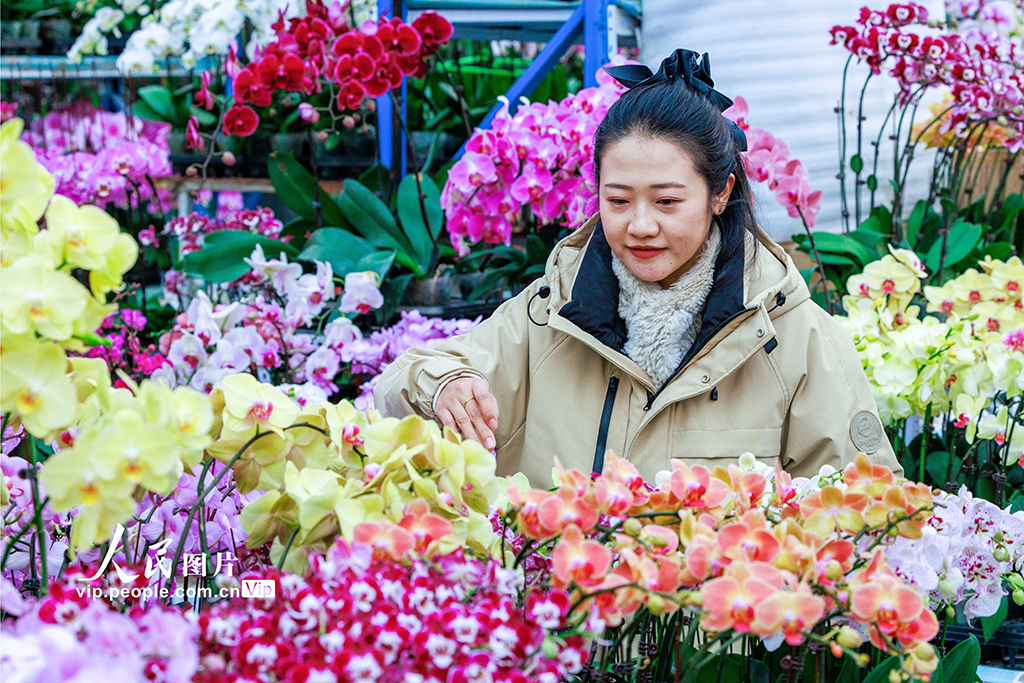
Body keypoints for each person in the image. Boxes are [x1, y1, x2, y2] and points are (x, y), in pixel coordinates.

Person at [374, 48, 901, 487]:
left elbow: (864, 506)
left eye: (667, 202)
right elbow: (400, 384)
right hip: (566, 609)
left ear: (721, 193)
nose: (639, 226)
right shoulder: (550, 315)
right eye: (618, 201)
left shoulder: (793, 335)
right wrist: (444, 384)